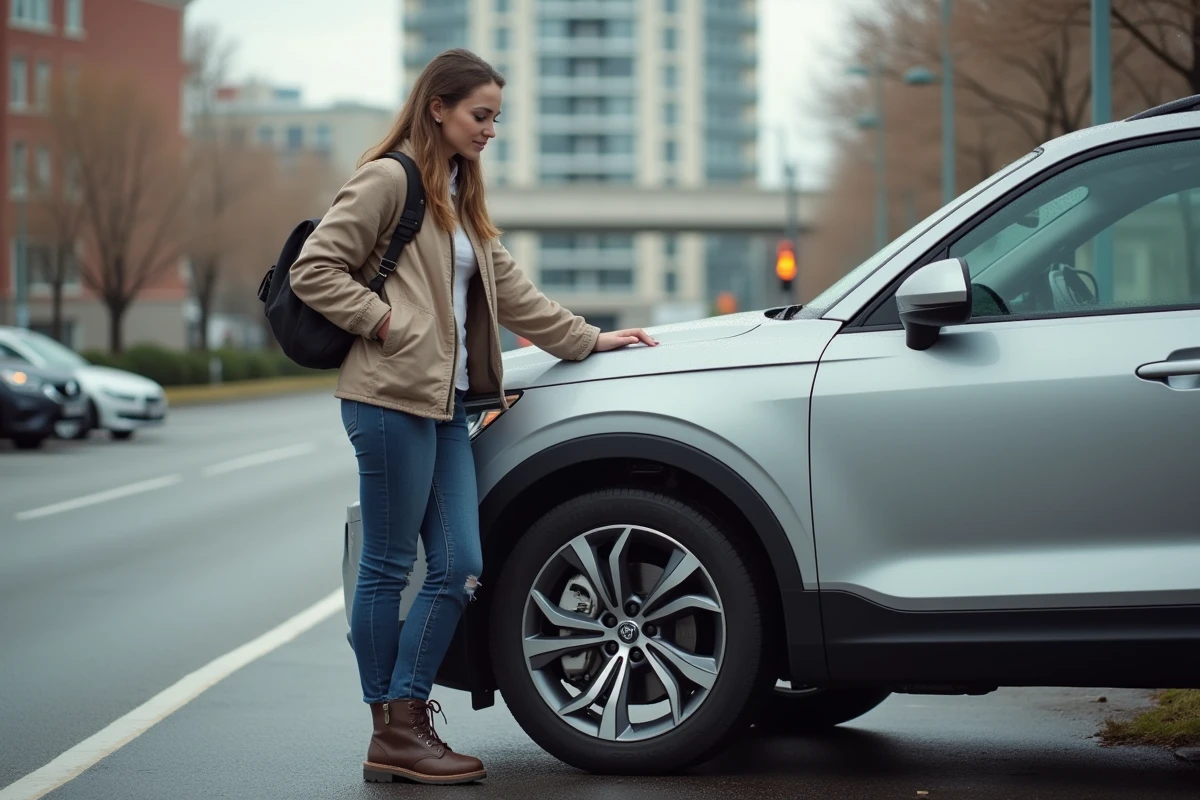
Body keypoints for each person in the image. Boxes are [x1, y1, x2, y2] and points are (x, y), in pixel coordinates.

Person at [289, 48, 657, 786]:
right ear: (439, 108)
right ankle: (393, 727)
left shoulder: (462, 191)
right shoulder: (391, 177)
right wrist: (389, 323)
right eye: (480, 115)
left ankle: (403, 717)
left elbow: (512, 293)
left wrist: (591, 339)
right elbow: (314, 268)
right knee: (391, 566)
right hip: (388, 398)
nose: (491, 129)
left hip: (450, 404)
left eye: (496, 118)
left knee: (460, 566)